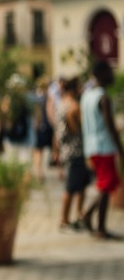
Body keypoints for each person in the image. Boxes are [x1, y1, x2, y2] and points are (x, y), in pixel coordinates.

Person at [79, 60, 124, 240]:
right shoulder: (102, 96)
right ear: (102, 73)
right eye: (110, 72)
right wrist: (120, 148)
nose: (112, 76)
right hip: (104, 146)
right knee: (107, 184)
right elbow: (109, 125)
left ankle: (91, 218)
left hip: (91, 146)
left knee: (105, 184)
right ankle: (98, 224)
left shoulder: (86, 95)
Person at [55, 77, 91, 232]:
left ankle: (78, 216)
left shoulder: (61, 104)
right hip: (76, 151)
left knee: (79, 185)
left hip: (66, 150)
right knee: (71, 187)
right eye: (80, 87)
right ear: (74, 89)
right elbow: (76, 126)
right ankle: (65, 219)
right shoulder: (74, 106)